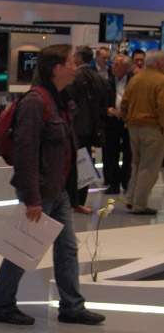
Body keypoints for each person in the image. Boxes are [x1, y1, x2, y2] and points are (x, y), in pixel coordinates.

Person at [0, 44, 105, 327]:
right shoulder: (36, 102)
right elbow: (25, 153)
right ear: (58, 68)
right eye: (71, 62)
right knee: (23, 248)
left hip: (58, 189)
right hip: (40, 191)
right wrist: (33, 198)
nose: (76, 67)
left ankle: (72, 307)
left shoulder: (59, 99)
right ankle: (2, 305)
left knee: (67, 249)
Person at [119, 49, 164, 215]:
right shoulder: (161, 80)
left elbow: (124, 103)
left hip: (133, 128)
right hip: (152, 129)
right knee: (149, 167)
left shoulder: (135, 79)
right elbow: (162, 107)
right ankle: (140, 203)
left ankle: (131, 199)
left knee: (136, 165)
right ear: (159, 63)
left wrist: (127, 119)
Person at [67, 45, 107, 210]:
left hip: (76, 128)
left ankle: (72, 200)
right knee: (86, 163)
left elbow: (68, 101)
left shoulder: (75, 76)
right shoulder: (99, 78)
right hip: (92, 127)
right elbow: (104, 103)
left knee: (72, 164)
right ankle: (81, 200)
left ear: (79, 58)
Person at [103, 54, 132, 194]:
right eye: (113, 64)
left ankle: (126, 181)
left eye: (116, 65)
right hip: (112, 122)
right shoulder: (108, 82)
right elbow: (102, 101)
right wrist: (107, 109)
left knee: (128, 152)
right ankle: (113, 183)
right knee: (112, 153)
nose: (112, 67)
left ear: (125, 67)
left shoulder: (133, 81)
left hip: (128, 122)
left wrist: (126, 111)